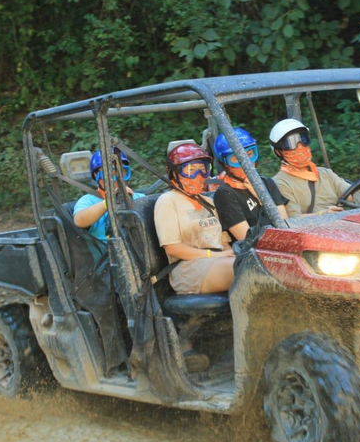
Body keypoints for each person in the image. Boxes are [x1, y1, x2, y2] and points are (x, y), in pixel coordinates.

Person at [154, 141, 235, 372]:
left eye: (202, 168)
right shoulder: (168, 202)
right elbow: (173, 249)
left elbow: (224, 241)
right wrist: (211, 255)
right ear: (173, 175)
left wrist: (224, 253)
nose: (199, 175)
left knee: (253, 262)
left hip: (216, 261)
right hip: (187, 268)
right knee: (246, 268)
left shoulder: (209, 202)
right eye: (190, 170)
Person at [269, 119, 360, 218]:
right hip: (314, 236)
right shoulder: (280, 183)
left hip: (342, 226)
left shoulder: (324, 173)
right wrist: (323, 215)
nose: (300, 146)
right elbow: (292, 220)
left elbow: (351, 194)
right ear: (279, 152)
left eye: (303, 139)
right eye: (291, 142)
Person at [212, 127, 289, 241]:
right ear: (225, 163)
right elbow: (247, 239)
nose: (246, 163)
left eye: (249, 154)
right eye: (236, 159)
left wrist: (260, 194)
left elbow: (284, 225)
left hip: (281, 243)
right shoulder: (225, 194)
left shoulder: (267, 183)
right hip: (252, 253)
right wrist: (261, 197)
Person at [73, 149, 145, 240]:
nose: (116, 177)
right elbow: (79, 220)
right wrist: (108, 202)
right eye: (109, 173)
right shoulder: (89, 200)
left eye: (121, 171)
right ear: (96, 175)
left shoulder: (138, 197)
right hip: (109, 252)